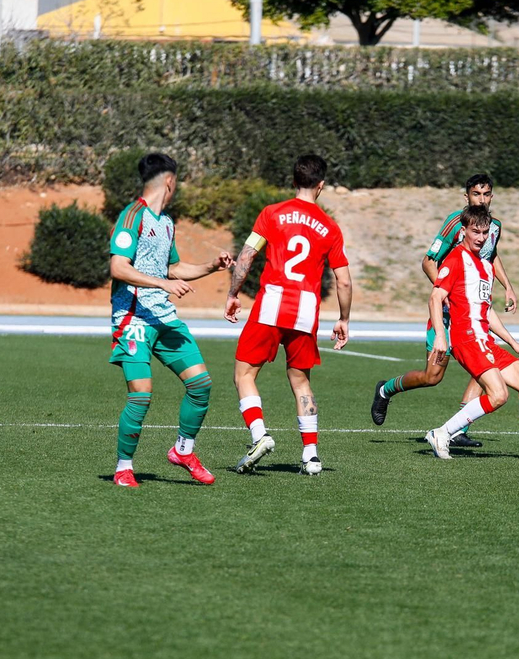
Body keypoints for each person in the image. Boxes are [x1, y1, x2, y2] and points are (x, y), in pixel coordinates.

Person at [107, 153, 233, 488]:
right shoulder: (132, 216)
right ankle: (123, 468)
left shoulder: (165, 222)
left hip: (163, 317)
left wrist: (211, 266)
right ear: (169, 181)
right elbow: (118, 267)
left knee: (201, 384)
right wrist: (162, 283)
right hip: (133, 317)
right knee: (141, 395)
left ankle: (183, 451)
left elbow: (173, 268)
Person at [224, 153, 353, 475]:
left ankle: (259, 435)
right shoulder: (330, 228)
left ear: (294, 180)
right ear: (321, 185)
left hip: (270, 305)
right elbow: (344, 279)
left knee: (244, 374)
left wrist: (233, 293)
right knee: (301, 382)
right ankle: (311, 456)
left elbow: (247, 255)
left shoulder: (271, 214)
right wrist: (343, 318)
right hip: (305, 311)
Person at [371, 173, 515, 448]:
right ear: (467, 196)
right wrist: (446, 295)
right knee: (432, 376)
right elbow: (428, 261)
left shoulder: (493, 226)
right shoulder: (456, 222)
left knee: (483, 366)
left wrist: (507, 286)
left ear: (492, 197)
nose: (481, 200)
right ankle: (385, 388)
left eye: (486, 194)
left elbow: (492, 255)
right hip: (449, 312)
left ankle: (460, 426)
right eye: (476, 194)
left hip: (474, 316)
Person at [424, 206, 519, 460]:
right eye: (475, 231)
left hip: (485, 340)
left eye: (485, 232)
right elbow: (435, 297)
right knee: (498, 395)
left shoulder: (485, 267)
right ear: (463, 230)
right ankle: (442, 433)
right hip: (467, 339)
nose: (480, 237)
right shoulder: (455, 258)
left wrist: (513, 342)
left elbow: (487, 312)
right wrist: (441, 336)